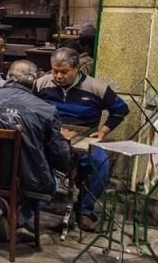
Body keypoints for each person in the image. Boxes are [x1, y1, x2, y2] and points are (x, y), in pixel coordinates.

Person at [34, 47, 129, 232]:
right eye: (54, 71)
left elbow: (121, 109)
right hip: (50, 140)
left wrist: (103, 131)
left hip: (82, 140)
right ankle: (31, 206)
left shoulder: (96, 88)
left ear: (77, 69)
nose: (58, 76)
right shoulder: (42, 84)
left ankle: (84, 210)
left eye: (64, 72)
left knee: (100, 163)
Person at [0, 60, 71, 232]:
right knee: (53, 182)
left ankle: (9, 215)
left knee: (26, 167)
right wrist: (66, 166)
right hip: (26, 179)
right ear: (34, 80)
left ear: (8, 77)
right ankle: (17, 218)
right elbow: (59, 153)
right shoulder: (45, 110)